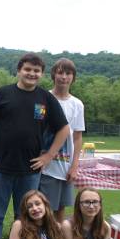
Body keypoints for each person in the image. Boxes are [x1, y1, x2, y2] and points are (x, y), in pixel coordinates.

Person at [0, 53, 70, 239]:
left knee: (27, 217)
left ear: (41, 74)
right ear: (19, 70)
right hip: (0, 166)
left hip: (30, 170)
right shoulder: (3, 94)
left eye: (36, 71)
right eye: (28, 69)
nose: (32, 74)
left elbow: (64, 129)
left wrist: (48, 156)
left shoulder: (46, 99)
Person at [39, 58, 85, 222]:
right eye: (60, 72)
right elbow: (37, 127)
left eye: (68, 73)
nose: (64, 77)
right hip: (44, 163)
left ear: (73, 77)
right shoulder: (42, 98)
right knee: (43, 207)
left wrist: (74, 166)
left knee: (60, 208)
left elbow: (78, 137)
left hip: (64, 164)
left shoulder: (77, 104)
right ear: (53, 75)